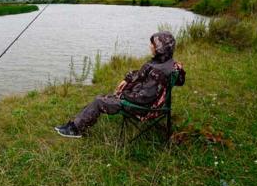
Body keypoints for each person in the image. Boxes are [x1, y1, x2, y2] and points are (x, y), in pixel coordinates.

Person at [55, 31, 186, 138]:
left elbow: (144, 98)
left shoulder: (158, 71)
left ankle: (75, 129)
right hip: (148, 102)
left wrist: (123, 95)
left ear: (160, 48)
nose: (150, 46)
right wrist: (127, 79)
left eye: (153, 44)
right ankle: (75, 123)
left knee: (99, 101)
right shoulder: (167, 63)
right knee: (102, 98)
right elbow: (142, 74)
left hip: (142, 108)